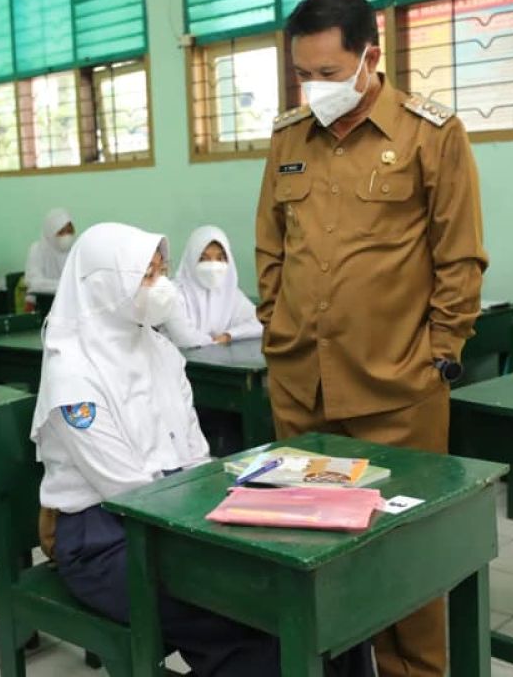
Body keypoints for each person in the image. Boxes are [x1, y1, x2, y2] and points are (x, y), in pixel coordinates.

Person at [255, 0, 487, 677]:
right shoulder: (289, 138)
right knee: (309, 543)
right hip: (303, 385)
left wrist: (440, 356)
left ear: (369, 57)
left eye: (328, 73)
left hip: (398, 386)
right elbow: (272, 247)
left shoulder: (431, 133)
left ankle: (411, 668)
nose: (315, 86)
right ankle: (328, 661)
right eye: (304, 73)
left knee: (402, 546)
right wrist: (277, 326)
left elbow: (461, 254)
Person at [32, 222, 375, 677]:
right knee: (247, 620)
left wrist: (243, 499)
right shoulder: (73, 374)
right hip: (106, 538)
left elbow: (195, 455)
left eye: (161, 272)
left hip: (176, 514)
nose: (161, 287)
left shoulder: (160, 350)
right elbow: (126, 489)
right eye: (146, 276)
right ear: (104, 286)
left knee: (320, 597)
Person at [162, 225, 263, 349]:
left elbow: (260, 322)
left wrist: (229, 335)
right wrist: (214, 341)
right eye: (204, 258)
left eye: (220, 258)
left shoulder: (231, 294)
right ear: (191, 260)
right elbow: (185, 339)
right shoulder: (172, 293)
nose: (213, 265)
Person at [24, 208, 75, 295]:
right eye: (61, 232)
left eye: (69, 231)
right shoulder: (37, 250)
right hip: (45, 301)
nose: (67, 235)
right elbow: (34, 283)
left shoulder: (76, 249)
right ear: (50, 232)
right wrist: (66, 286)